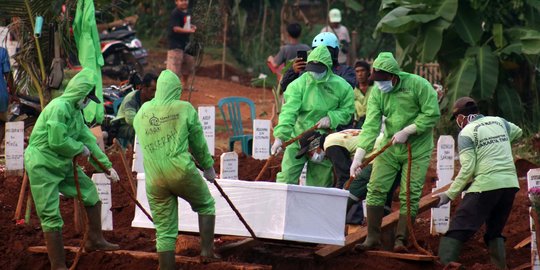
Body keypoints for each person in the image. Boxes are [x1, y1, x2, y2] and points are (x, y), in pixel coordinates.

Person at [24, 69, 120, 269]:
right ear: (80, 94)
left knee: (90, 192)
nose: (87, 102)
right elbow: (57, 141)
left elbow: (89, 141)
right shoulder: (59, 108)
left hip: (62, 162)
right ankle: (58, 265)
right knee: (51, 214)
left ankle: (95, 239)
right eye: (86, 98)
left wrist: (106, 167)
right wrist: (78, 148)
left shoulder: (76, 113)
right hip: (42, 164)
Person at [350, 52, 440, 252]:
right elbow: (371, 125)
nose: (380, 84)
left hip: (417, 148)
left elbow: (432, 114)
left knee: (410, 193)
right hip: (390, 146)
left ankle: (401, 240)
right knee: (375, 187)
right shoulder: (378, 93)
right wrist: (359, 156)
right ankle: (372, 238)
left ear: (393, 75)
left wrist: (409, 130)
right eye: (377, 80)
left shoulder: (419, 85)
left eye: (383, 80)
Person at [133, 70, 220, 269]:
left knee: (164, 230)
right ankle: (207, 252)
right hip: (180, 171)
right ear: (175, 89)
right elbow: (197, 142)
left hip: (154, 178)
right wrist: (207, 166)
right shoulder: (184, 108)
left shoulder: (143, 112)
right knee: (206, 204)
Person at [434, 97, 522, 269]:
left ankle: (443, 264)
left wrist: (449, 194)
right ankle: (499, 267)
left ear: (461, 117)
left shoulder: (466, 133)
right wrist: (498, 143)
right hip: (510, 185)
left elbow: (467, 169)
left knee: (459, 226)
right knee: (494, 232)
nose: (457, 123)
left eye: (457, 119)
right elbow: (518, 132)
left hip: (486, 185)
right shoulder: (498, 121)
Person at [271, 45, 354, 188]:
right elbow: (289, 111)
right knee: (286, 179)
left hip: (321, 140)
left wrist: (332, 118)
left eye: (319, 70)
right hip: (296, 138)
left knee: (319, 184)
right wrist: (280, 136)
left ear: (328, 67)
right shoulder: (298, 85)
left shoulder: (342, 87)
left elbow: (347, 111)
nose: (315, 73)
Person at [295, 129, 400, 224]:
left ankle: (332, 223)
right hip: (394, 150)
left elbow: (345, 176)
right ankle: (384, 222)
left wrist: (334, 197)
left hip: (382, 154)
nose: (311, 157)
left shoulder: (330, 145)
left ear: (315, 146)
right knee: (382, 193)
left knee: (350, 189)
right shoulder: (336, 137)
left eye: (309, 153)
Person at [280, 32, 356, 92]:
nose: (321, 53)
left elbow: (347, 89)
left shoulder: (346, 71)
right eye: (317, 50)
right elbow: (286, 88)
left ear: (335, 51)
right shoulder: (307, 71)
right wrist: (293, 72)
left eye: (326, 50)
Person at [112, 73, 158, 148]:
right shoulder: (131, 99)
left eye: (157, 90)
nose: (155, 93)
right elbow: (131, 120)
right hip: (123, 127)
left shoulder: (152, 100)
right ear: (143, 87)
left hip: (142, 125)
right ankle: (137, 156)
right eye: (152, 90)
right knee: (141, 131)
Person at [167, 0, 196, 87]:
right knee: (174, 68)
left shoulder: (187, 12)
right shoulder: (175, 13)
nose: (184, 2)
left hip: (186, 43)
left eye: (185, 0)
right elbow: (175, 28)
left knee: (188, 64)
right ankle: (170, 88)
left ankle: (185, 84)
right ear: (176, 2)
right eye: (181, 0)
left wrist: (191, 26)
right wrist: (189, 30)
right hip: (175, 44)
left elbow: (185, 25)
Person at [353, 60, 374, 128]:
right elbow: (354, 110)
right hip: (359, 123)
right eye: (357, 71)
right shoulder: (354, 91)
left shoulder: (376, 88)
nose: (360, 74)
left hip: (374, 121)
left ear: (368, 72)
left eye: (362, 70)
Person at [0, 46, 10, 121]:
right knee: (3, 126)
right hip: (1, 96)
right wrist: (14, 93)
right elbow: (8, 74)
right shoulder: (2, 52)